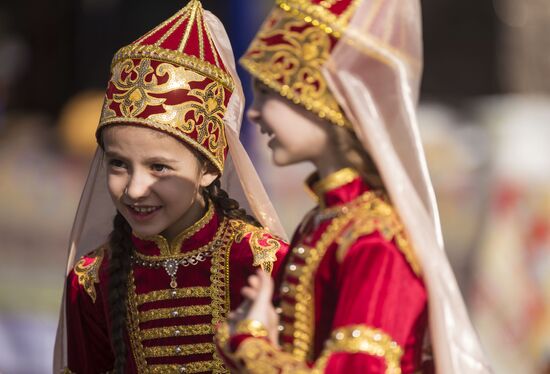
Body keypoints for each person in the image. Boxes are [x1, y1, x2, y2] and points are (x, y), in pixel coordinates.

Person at [215, 0, 492, 373]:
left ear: (322, 100)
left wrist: (251, 345)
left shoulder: (374, 238)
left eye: (268, 93)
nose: (254, 111)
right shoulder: (325, 220)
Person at [53, 1, 289, 372]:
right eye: (118, 164)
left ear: (209, 169)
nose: (134, 189)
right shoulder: (92, 279)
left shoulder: (263, 262)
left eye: (159, 167)